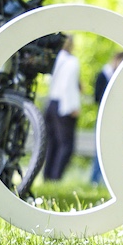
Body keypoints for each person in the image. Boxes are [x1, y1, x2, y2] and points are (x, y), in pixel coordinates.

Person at [39, 36, 81, 181]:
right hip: (64, 105)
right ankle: (56, 177)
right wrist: (72, 107)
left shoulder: (55, 59)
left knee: (52, 143)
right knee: (66, 145)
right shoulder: (71, 61)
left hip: (51, 103)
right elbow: (68, 86)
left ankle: (47, 176)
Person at [89, 51, 123, 185]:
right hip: (104, 116)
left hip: (122, 117)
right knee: (100, 148)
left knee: (118, 150)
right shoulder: (104, 75)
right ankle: (95, 180)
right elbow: (96, 97)